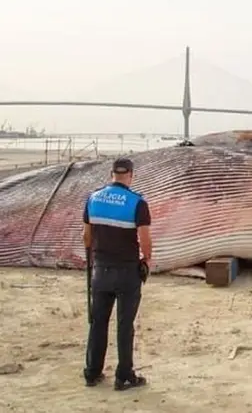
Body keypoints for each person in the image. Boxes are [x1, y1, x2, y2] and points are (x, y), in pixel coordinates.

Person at [82, 157, 152, 390]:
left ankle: (92, 373)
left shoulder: (93, 199)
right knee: (125, 324)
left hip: (100, 270)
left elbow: (86, 237)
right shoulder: (137, 202)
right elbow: (145, 240)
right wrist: (146, 260)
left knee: (98, 322)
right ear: (130, 175)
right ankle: (123, 377)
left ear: (111, 174)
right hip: (127, 272)